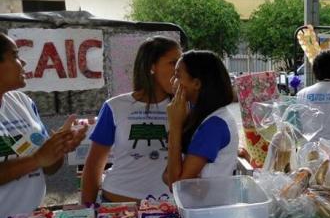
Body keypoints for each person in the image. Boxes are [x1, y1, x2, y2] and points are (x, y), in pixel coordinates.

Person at [81, 36, 181, 203]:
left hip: (169, 210)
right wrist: (85, 213)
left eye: (180, 64)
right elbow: (94, 165)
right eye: (173, 63)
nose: (178, 71)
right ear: (151, 67)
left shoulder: (186, 108)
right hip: (117, 206)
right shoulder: (115, 106)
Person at [0, 32, 87, 218]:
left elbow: (48, 167)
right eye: (14, 55)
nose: (22, 63)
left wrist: (59, 146)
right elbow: (39, 160)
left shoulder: (22, 102)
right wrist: (37, 158)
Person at [166, 50, 240, 185]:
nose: (172, 81)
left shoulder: (214, 125)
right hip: (197, 205)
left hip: (210, 205)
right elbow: (166, 175)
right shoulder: (198, 115)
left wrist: (175, 125)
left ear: (196, 84)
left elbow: (176, 184)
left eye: (177, 76)